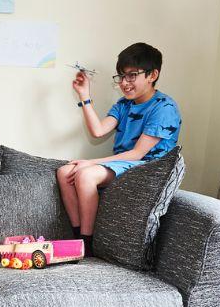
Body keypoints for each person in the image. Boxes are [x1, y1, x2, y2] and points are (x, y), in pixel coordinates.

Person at [57, 42, 181, 253]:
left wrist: (90, 162)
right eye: (121, 77)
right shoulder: (124, 105)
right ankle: (77, 236)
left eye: (132, 75)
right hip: (124, 166)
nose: (124, 83)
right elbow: (98, 131)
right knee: (64, 171)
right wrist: (84, 96)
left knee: (85, 175)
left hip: (147, 169)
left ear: (152, 75)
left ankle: (87, 243)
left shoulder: (164, 107)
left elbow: (137, 154)